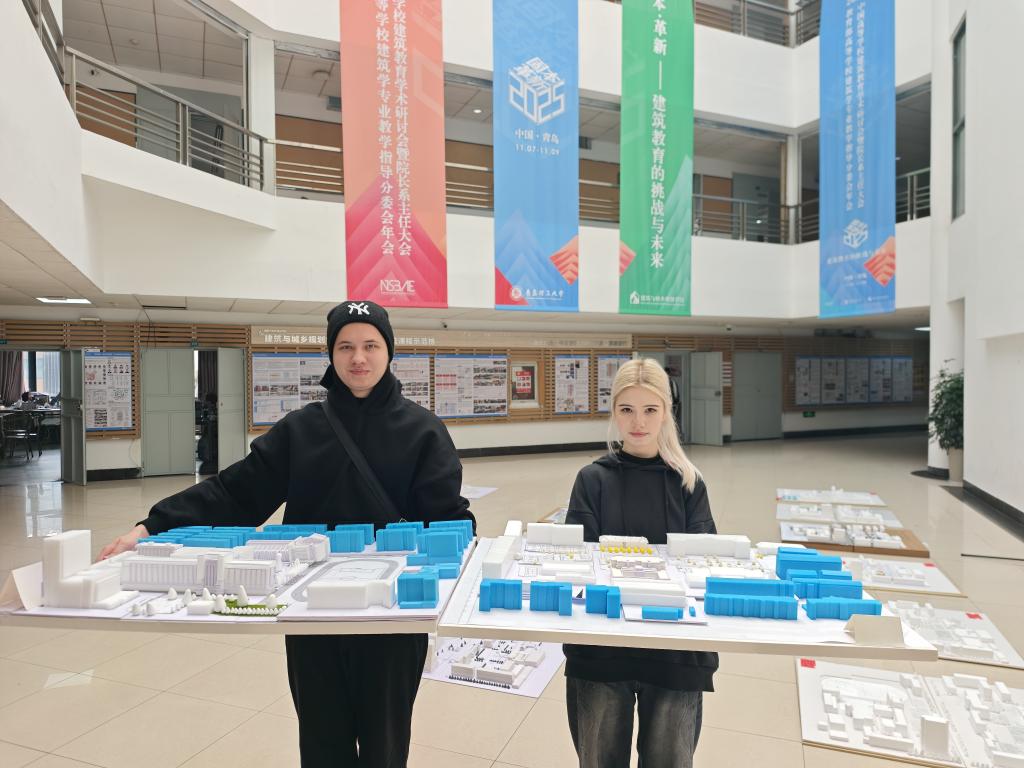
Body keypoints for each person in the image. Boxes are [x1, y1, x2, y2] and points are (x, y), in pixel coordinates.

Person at [99, 300, 475, 768]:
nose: (358, 358)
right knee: (321, 742)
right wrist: (152, 526)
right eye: (345, 347)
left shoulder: (424, 430)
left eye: (370, 345)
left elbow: (448, 518)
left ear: (389, 351)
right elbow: (236, 492)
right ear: (331, 354)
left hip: (391, 615)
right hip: (310, 614)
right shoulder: (302, 429)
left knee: (385, 745)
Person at [563, 358, 717, 768]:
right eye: (627, 409)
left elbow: (703, 568)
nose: (638, 422)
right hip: (602, 650)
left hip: (674, 652)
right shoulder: (592, 480)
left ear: (667, 412)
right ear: (613, 412)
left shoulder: (688, 483)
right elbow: (577, 567)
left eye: (650, 409)